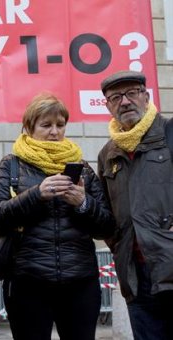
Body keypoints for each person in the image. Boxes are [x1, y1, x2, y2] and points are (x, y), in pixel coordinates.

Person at [0, 93, 114, 340]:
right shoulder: (11, 165)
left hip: (80, 282)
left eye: (60, 124)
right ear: (29, 127)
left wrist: (83, 203)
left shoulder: (82, 168)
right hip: (27, 282)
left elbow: (107, 226)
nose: (55, 132)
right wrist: (37, 195)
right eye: (46, 125)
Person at [97, 70, 173, 340]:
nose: (125, 101)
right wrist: (120, 246)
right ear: (107, 105)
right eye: (116, 97)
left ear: (146, 96)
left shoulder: (169, 134)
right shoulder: (108, 154)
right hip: (135, 276)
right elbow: (106, 214)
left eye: (131, 93)